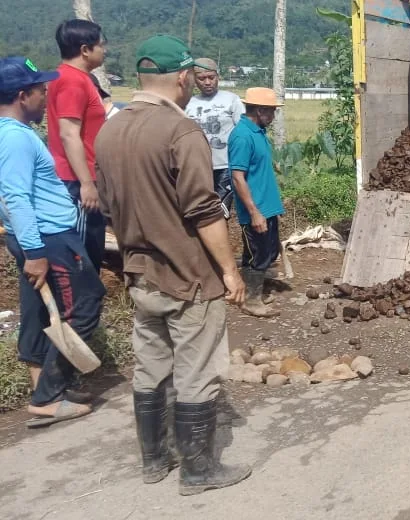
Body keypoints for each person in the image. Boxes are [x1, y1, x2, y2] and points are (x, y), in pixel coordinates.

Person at [95, 34, 250, 495]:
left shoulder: (110, 130)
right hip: (189, 277)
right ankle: (198, 471)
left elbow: (107, 205)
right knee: (197, 371)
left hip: (140, 272)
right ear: (183, 77)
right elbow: (203, 211)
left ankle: (154, 460)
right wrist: (229, 271)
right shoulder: (181, 132)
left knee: (151, 367)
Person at [0, 56, 105, 428]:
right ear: (22, 95)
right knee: (87, 302)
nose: (47, 97)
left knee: (38, 309)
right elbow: (15, 196)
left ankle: (43, 388)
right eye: (41, 91)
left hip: (35, 236)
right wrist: (35, 252)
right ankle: (48, 395)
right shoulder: (14, 138)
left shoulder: (12, 133)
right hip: (47, 238)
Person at [47, 19, 108, 274]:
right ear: (85, 50)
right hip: (75, 180)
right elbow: (69, 133)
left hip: (81, 178)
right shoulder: (73, 81)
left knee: (90, 252)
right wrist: (86, 183)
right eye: (101, 45)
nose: (104, 50)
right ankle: (78, 311)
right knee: (83, 258)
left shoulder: (77, 78)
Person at [228, 88, 286, 318]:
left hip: (266, 206)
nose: (273, 116)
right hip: (256, 209)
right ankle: (251, 300)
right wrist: (254, 212)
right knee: (256, 256)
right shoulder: (242, 136)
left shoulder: (258, 132)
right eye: (271, 112)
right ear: (260, 110)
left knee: (269, 252)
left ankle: (256, 292)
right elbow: (237, 177)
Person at [186, 57, 246, 218]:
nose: (207, 82)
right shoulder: (188, 103)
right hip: (198, 167)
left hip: (225, 165)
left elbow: (243, 132)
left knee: (220, 210)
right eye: (202, 78)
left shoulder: (231, 100)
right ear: (194, 80)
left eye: (211, 77)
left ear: (218, 76)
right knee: (201, 210)